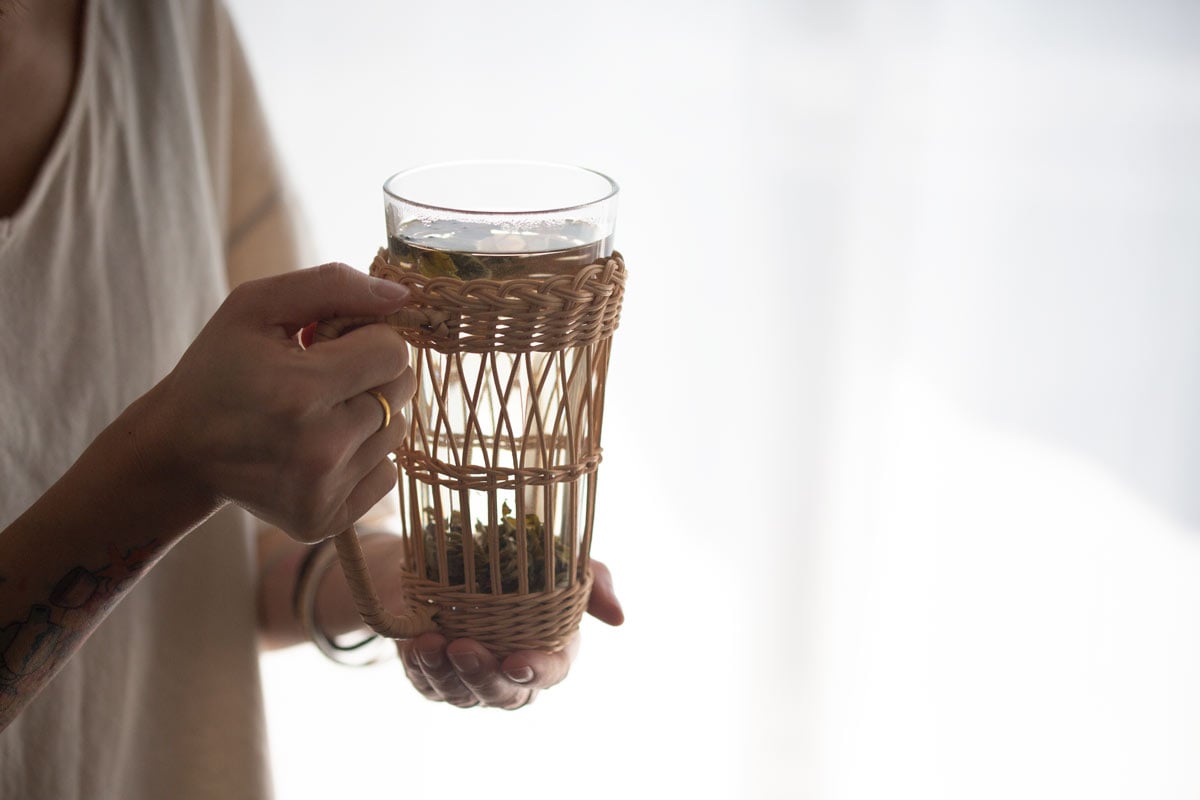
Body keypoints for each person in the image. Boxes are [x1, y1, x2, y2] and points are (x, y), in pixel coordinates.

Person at [0, 0, 624, 797]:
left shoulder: (168, 25)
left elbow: (252, 544)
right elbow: (213, 457)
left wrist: (402, 581)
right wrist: (169, 468)